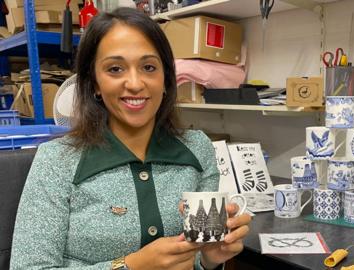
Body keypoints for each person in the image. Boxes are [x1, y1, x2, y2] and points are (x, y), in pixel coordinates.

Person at [10, 7, 251, 270]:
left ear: (166, 79)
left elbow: (197, 255)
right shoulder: (57, 160)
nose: (135, 83)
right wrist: (130, 265)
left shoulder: (197, 148)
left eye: (149, 67)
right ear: (94, 84)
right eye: (115, 69)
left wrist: (209, 259)